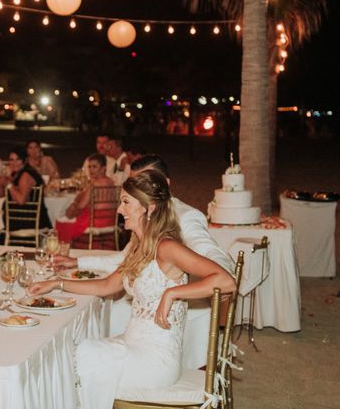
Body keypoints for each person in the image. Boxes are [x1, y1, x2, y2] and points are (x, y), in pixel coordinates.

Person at [29, 170, 235, 408]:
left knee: (81, 361)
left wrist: (173, 293)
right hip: (131, 346)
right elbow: (107, 285)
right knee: (72, 356)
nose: (119, 209)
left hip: (155, 363)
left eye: (126, 202)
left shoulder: (166, 247)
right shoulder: (139, 245)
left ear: (150, 208)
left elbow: (226, 280)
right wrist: (57, 283)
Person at [53, 154, 234, 336]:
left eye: (144, 181)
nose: (137, 186)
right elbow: (120, 264)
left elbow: (208, 250)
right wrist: (75, 265)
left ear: (164, 183)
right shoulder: (142, 226)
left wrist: (219, 281)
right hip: (143, 310)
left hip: (181, 314)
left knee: (101, 316)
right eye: (135, 181)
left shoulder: (186, 217)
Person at [0, 147, 51, 246]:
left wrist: (9, 184)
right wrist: (1, 183)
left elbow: (21, 200)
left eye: (17, 159)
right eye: (11, 160)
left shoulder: (26, 175)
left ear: (24, 160)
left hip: (26, 220)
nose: (14, 163)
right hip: (17, 217)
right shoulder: (15, 174)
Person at [55, 153, 115, 242]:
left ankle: (65, 250)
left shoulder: (94, 184)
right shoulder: (111, 182)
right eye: (89, 167)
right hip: (110, 219)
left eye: (94, 167)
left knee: (60, 223)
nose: (91, 170)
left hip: (93, 220)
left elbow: (81, 206)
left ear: (103, 168)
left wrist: (74, 204)